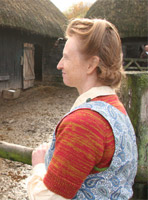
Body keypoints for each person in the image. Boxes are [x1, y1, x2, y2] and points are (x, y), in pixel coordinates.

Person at [27, 18, 138, 199]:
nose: (59, 64)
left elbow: (49, 198)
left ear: (91, 64)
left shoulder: (85, 122)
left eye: (67, 57)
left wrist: (39, 166)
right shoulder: (116, 109)